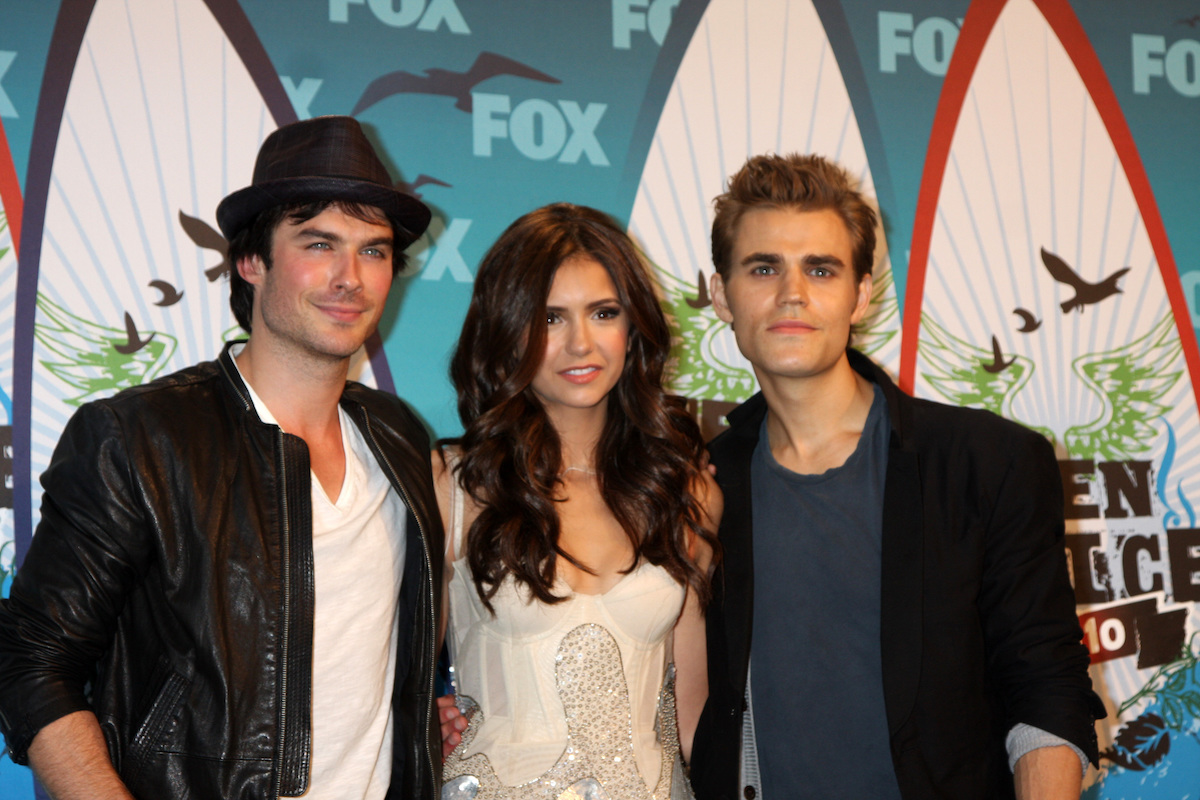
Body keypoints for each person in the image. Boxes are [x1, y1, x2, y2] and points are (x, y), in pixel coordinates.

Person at [0, 116, 445, 799]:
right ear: (251, 260)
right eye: (319, 243)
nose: (349, 277)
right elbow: (30, 661)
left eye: (374, 251)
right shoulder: (141, 437)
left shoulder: (398, 439)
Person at [688, 153, 1105, 800]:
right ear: (721, 295)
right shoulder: (704, 482)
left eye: (820, 269)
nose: (792, 293)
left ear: (861, 295)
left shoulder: (985, 463)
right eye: (763, 267)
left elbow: (1046, 684)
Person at [433, 203, 721, 799]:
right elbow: (388, 684)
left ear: (632, 326)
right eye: (551, 318)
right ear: (509, 329)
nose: (581, 343)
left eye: (604, 313)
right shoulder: (453, 486)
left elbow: (693, 716)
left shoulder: (683, 493)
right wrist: (420, 716)